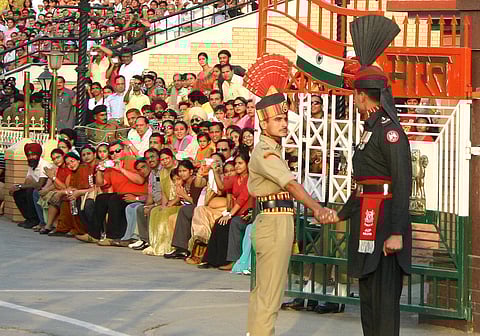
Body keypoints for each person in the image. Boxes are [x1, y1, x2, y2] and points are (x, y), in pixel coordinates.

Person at [330, 15, 411, 336]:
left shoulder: (391, 133)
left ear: (363, 96)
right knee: (368, 303)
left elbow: (401, 183)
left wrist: (397, 232)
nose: (354, 99)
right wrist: (338, 213)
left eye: (355, 94)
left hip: (386, 226)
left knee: (385, 306)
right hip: (366, 223)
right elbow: (363, 185)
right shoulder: (369, 130)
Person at [246, 89, 335, 336]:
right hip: (274, 222)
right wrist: (317, 208)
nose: (284, 124)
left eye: (285, 118)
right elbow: (291, 185)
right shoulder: (266, 151)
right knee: (271, 294)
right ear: (263, 123)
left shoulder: (272, 148)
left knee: (265, 291)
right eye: (277, 119)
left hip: (276, 220)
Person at [9, 143, 52, 229]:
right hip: (34, 188)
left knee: (30, 191)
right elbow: (27, 181)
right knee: (18, 193)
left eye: (34, 155)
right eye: (29, 155)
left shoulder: (44, 165)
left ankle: (35, 219)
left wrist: (21, 186)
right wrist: (17, 187)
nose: (31, 157)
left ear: (39, 154)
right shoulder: (32, 165)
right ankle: (29, 218)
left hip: (43, 190)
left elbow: (40, 185)